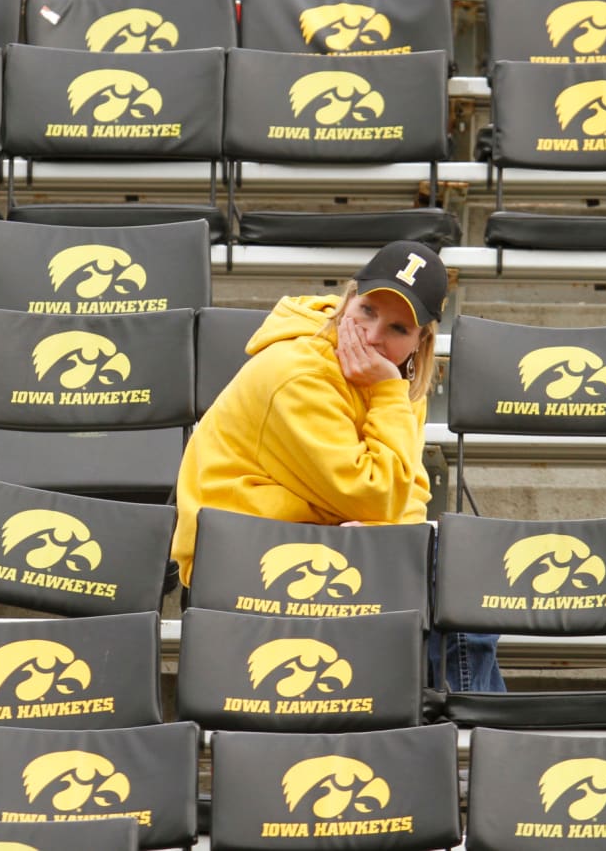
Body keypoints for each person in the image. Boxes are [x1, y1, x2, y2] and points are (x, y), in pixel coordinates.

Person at [170, 239, 504, 692]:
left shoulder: (393, 379)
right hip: (244, 559)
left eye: (398, 328)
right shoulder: (299, 373)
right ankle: (470, 727)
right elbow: (372, 495)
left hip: (315, 546)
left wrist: (391, 533)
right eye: (367, 311)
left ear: (421, 339)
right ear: (349, 297)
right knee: (445, 566)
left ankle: (451, 728)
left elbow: (409, 492)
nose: (372, 337)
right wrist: (389, 527)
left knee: (451, 560)